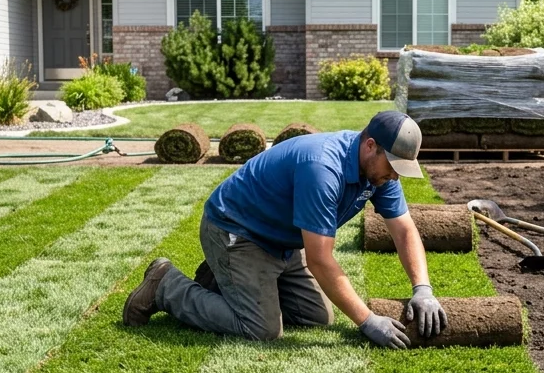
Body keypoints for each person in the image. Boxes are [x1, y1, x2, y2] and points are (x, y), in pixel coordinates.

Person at [122, 110, 447, 349]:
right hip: (236, 230)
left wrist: (423, 289)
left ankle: (222, 282)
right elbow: (320, 259)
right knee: (261, 329)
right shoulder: (323, 168)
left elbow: (404, 231)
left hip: (281, 241)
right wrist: (367, 320)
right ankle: (166, 285)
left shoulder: (379, 173)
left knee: (317, 317)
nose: (395, 176)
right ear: (370, 146)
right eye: (393, 166)